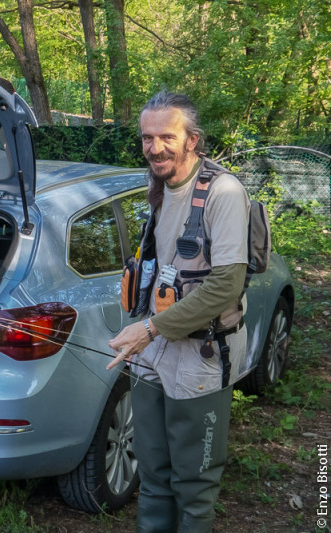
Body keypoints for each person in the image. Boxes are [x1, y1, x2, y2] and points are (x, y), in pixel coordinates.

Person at [107, 91, 250, 532]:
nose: (155, 148)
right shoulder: (159, 188)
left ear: (192, 139)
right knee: (153, 474)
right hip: (154, 348)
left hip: (200, 355)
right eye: (147, 138)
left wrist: (148, 329)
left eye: (167, 136)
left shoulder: (223, 191)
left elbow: (227, 284)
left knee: (194, 484)